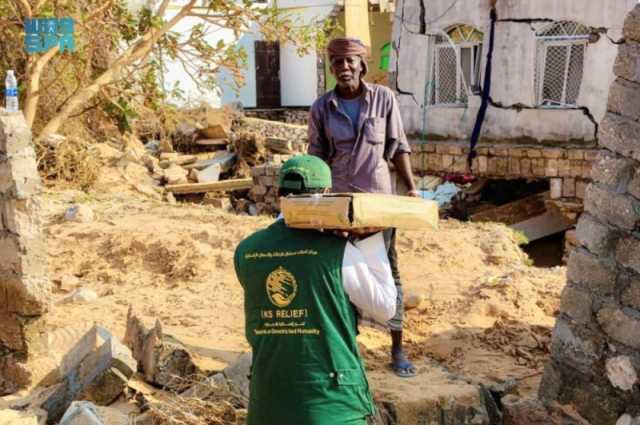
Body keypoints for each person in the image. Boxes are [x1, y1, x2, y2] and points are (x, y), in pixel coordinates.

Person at [234, 155, 397, 425]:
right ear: (325, 195)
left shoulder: (246, 251)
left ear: (279, 194)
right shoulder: (338, 252)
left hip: (267, 404)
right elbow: (386, 307)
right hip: (332, 406)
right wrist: (369, 238)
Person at [308, 37, 419, 377]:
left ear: (362, 64)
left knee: (388, 271)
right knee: (341, 273)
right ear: (331, 68)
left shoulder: (384, 99)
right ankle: (349, 348)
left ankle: (397, 349)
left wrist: (412, 189)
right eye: (337, 62)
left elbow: (398, 146)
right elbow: (317, 156)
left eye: (350, 61)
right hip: (340, 203)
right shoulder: (321, 108)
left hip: (378, 201)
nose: (343, 68)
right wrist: (313, 198)